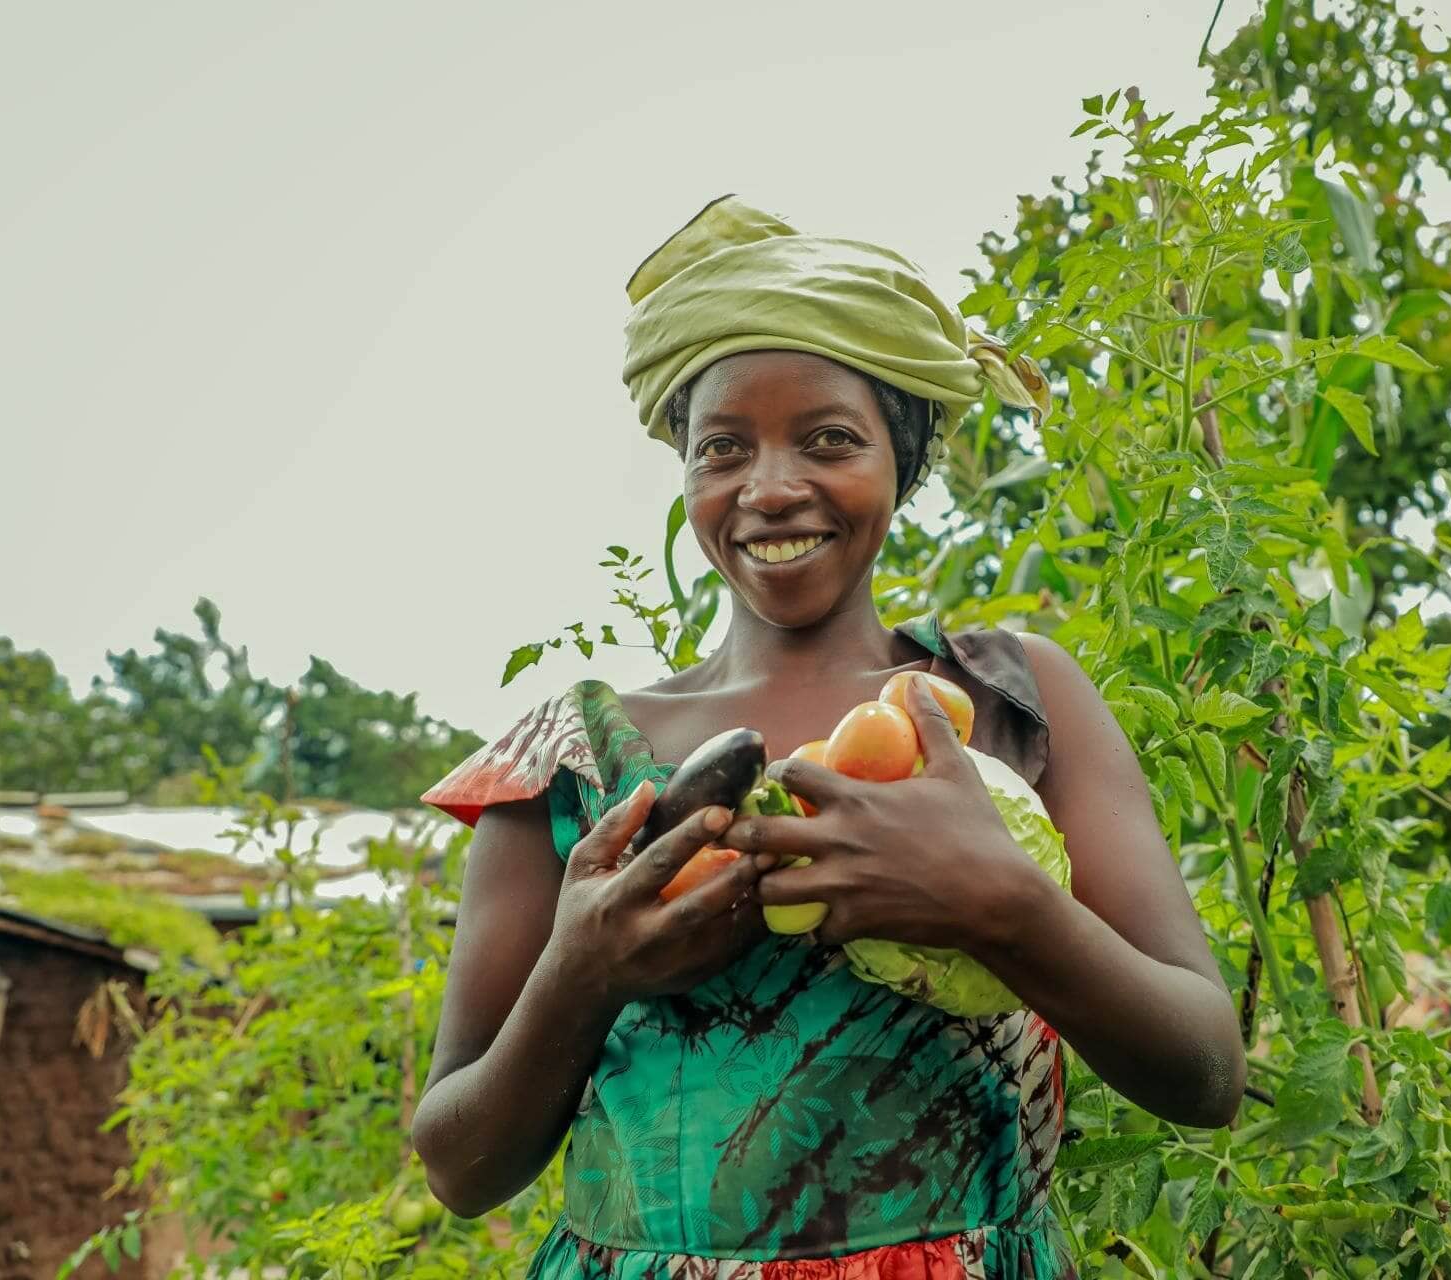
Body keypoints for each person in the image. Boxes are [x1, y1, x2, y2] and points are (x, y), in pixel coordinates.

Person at [411, 196, 1245, 1279]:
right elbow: (459, 1166)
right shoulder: (571, 763)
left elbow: (1205, 1070)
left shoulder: (1008, 699)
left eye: (829, 439)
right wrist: (583, 972)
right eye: (722, 448)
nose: (769, 487)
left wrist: (1002, 902)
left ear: (902, 458)